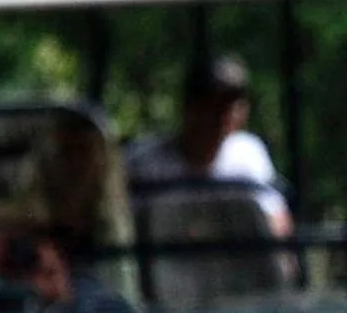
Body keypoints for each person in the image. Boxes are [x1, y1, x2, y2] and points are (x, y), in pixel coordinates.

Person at [124, 55, 293, 236]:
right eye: (212, 102)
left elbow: (277, 220)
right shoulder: (142, 161)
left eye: (232, 102)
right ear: (189, 105)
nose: (223, 113)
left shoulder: (248, 152)